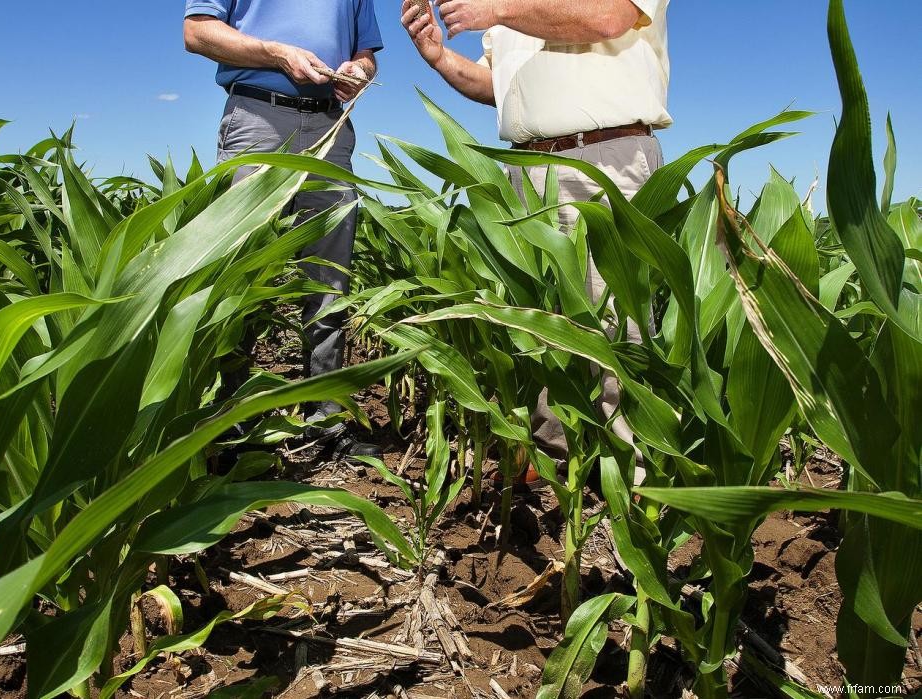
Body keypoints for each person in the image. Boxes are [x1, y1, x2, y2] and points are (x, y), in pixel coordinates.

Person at [401, 0, 671, 482]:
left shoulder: (505, 5)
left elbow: (610, 18)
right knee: (542, 317)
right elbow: (496, 87)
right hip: (528, 165)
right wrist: (439, 57)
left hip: (602, 157)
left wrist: (498, 10)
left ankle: (627, 470)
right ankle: (556, 457)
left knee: (615, 317)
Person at [185, 0, 384, 457]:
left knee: (331, 276)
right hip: (258, 120)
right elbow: (197, 32)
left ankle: (327, 419)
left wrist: (359, 71)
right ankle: (233, 420)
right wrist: (276, 53)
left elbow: (368, 56)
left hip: (330, 125)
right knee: (240, 270)